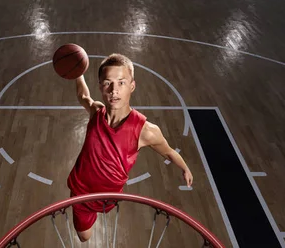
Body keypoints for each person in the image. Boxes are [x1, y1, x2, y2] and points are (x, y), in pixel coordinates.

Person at [67, 53, 194, 242]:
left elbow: (168, 151)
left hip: (109, 196)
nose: (114, 90)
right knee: (84, 237)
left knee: (96, 221)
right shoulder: (96, 113)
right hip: (81, 192)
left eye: (121, 83)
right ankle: (88, 218)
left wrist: (185, 168)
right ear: (101, 86)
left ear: (132, 86)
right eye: (108, 83)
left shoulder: (145, 130)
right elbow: (83, 95)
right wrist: (78, 73)